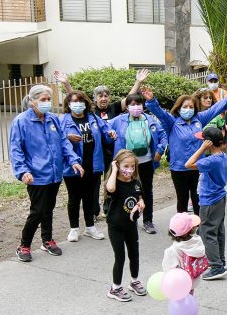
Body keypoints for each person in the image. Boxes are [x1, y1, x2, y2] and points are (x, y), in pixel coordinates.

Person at [54, 68, 149, 217]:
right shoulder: (91, 111)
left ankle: (109, 207)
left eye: (106, 95)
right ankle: (94, 211)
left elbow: (129, 99)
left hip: (113, 152)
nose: (104, 98)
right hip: (97, 153)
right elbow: (76, 99)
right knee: (95, 185)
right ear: (94, 98)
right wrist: (66, 84)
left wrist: (138, 82)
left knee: (112, 181)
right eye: (100, 95)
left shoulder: (114, 108)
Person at [11, 84, 84, 262]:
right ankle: (24, 245)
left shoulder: (53, 119)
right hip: (35, 174)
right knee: (37, 211)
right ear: (32, 101)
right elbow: (16, 149)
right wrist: (22, 172)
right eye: (43, 99)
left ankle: (47, 240)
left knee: (48, 209)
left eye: (49, 99)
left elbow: (63, 142)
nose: (47, 103)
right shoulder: (21, 121)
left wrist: (73, 160)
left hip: (54, 173)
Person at [143, 83, 227, 215]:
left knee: (197, 197)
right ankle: (182, 230)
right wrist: (151, 100)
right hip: (179, 168)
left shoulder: (198, 119)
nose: (188, 109)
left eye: (191, 107)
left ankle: (199, 227)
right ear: (179, 108)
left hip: (197, 167)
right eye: (185, 107)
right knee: (182, 200)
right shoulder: (172, 122)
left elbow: (215, 109)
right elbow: (160, 112)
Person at [110, 93, 167, 234]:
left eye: (138, 104)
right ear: (127, 107)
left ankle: (148, 220)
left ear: (143, 105)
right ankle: (128, 220)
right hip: (126, 165)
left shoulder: (150, 120)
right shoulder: (119, 120)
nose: (136, 107)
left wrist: (160, 150)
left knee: (146, 191)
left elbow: (163, 135)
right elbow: (104, 127)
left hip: (147, 161)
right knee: (126, 191)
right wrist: (110, 132)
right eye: (132, 104)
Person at [60, 90, 113, 242]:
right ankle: (74, 229)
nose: (78, 104)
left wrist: (111, 133)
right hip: (73, 166)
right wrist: (67, 137)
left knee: (90, 197)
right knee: (74, 198)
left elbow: (105, 132)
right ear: (68, 105)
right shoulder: (63, 120)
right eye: (74, 101)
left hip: (93, 165)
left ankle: (90, 227)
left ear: (86, 103)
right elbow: (56, 140)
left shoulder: (93, 118)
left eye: (80, 101)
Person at [185, 126, 227, 280]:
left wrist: (202, 149)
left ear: (209, 143)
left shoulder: (210, 160)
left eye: (203, 141)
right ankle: (221, 261)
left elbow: (188, 164)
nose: (201, 143)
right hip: (220, 197)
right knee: (218, 230)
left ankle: (216, 266)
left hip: (209, 199)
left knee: (207, 232)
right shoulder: (224, 156)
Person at [104, 149, 146, 302]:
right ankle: (115, 288)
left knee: (134, 254)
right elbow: (110, 189)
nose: (129, 170)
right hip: (115, 226)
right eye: (126, 166)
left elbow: (140, 196)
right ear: (118, 165)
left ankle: (134, 281)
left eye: (133, 166)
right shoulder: (114, 182)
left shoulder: (135, 182)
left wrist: (141, 202)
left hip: (131, 225)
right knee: (120, 257)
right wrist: (114, 170)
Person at [162, 212, 206, 315]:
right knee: (189, 296)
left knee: (180, 297)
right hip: (193, 277)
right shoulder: (197, 241)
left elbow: (168, 269)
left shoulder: (173, 250)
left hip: (180, 282)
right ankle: (180, 313)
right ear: (191, 230)